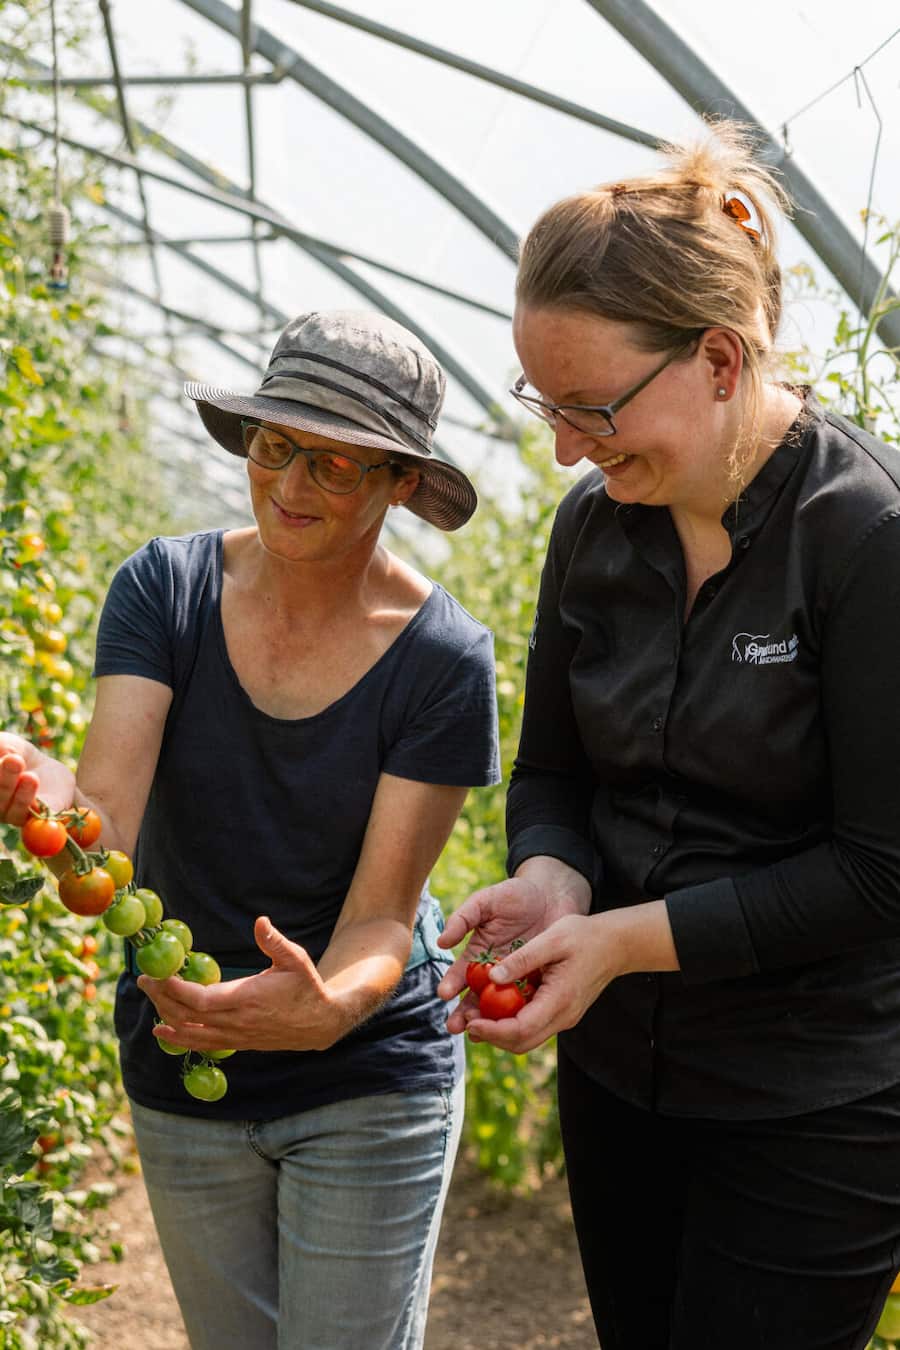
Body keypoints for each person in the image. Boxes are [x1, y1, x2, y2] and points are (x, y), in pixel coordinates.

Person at [436, 122, 900, 1350]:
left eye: (591, 408)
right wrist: (551, 877)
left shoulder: (864, 539)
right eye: (545, 404)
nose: (565, 450)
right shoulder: (596, 530)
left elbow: (881, 871)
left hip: (812, 1107)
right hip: (619, 1082)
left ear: (719, 357)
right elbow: (551, 774)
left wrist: (623, 944)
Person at [0, 309, 500, 1350]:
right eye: (275, 447)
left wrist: (323, 1010)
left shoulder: (443, 660)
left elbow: (375, 924)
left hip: (366, 1070)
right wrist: (46, 805)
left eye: (333, 464)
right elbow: (107, 833)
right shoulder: (164, 590)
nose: (289, 485)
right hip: (185, 1054)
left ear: (400, 484)